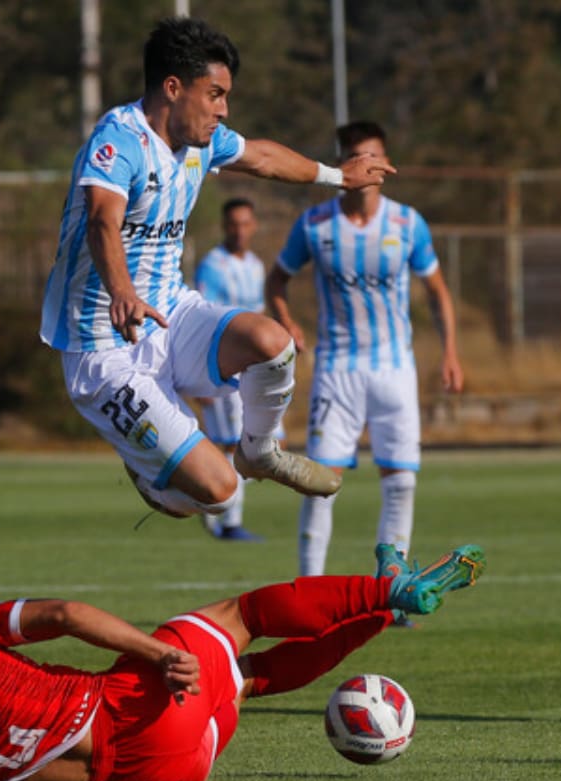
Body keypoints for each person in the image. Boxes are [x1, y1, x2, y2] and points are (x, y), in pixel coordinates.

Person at [39, 18, 395, 522]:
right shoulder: (119, 140)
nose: (223, 109)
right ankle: (149, 473)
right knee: (219, 495)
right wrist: (120, 289)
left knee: (273, 345)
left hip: (170, 314)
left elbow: (265, 158)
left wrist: (339, 177)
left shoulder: (202, 144)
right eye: (215, 94)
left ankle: (259, 451)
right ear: (173, 87)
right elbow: (102, 220)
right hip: (102, 349)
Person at [0, 543, 486, 781]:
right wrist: (157, 652)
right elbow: (66, 615)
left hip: (165, 771)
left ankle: (380, 614)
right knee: (240, 618)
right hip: (131, 707)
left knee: (248, 678)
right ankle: (385, 598)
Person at [267, 121, 463, 580]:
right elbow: (277, 280)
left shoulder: (407, 223)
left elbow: (437, 291)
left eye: (375, 156)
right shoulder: (315, 225)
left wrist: (451, 351)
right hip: (338, 370)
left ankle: (390, 592)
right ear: (344, 162)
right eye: (358, 156)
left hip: (395, 370)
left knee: (401, 483)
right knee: (320, 485)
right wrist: (287, 320)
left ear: (387, 162)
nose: (368, 166)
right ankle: (308, 592)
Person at [191, 198, 271, 541]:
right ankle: (224, 519)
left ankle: (213, 510)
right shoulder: (213, 266)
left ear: (253, 226)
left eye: (245, 224)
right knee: (231, 446)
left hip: (250, 369)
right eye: (233, 224)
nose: (240, 231)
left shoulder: (255, 265)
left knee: (246, 445)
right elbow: (199, 318)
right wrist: (199, 381)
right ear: (225, 227)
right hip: (220, 367)